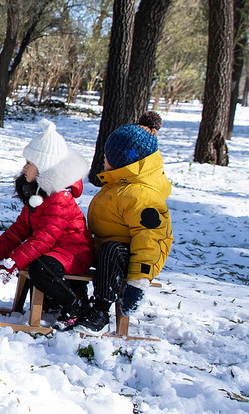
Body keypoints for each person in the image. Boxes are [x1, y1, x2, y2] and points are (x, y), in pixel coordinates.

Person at [0, 119, 94, 328]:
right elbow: (19, 229)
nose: (24, 167)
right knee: (37, 262)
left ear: (44, 167)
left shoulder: (60, 198)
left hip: (75, 250)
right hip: (57, 249)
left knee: (40, 269)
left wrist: (14, 261)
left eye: (29, 163)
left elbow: (43, 238)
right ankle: (51, 302)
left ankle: (75, 305)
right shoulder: (38, 195)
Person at [70, 111, 173, 334]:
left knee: (111, 249)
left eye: (108, 156)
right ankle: (71, 301)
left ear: (123, 160)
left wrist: (138, 282)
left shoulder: (142, 195)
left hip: (130, 258)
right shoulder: (121, 185)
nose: (103, 159)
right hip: (109, 253)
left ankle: (100, 311)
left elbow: (151, 240)